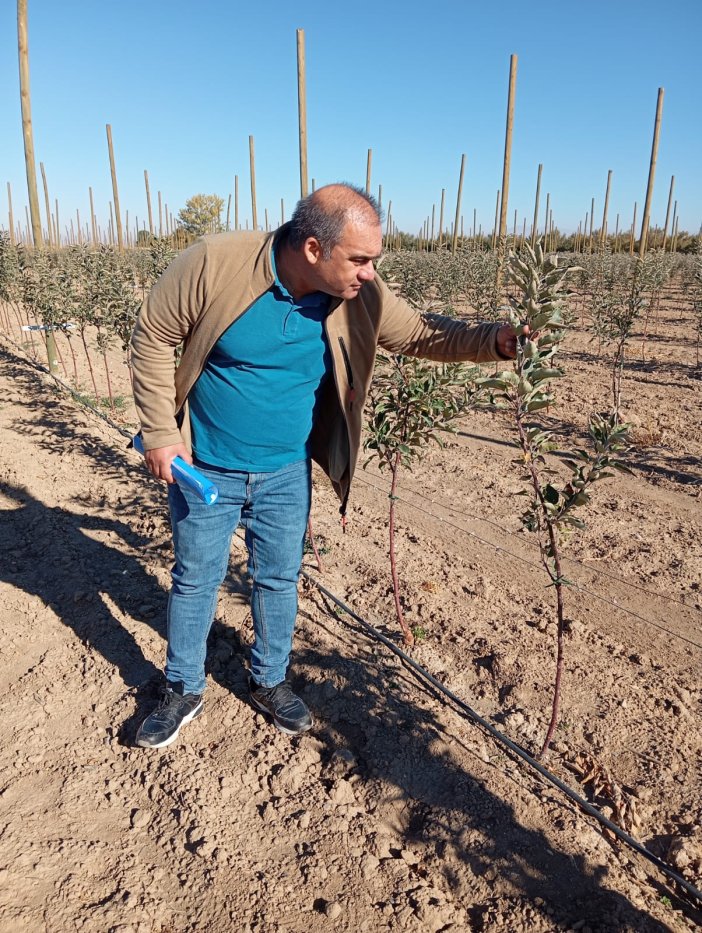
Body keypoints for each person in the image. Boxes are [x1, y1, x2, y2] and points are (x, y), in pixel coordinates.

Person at [130, 183, 524, 748]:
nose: (369, 273)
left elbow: (418, 333)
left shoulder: (357, 295)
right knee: (196, 581)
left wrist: (496, 341)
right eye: (360, 260)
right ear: (313, 249)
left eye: (373, 261)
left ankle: (268, 679)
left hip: (287, 473)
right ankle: (182, 687)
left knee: (278, 579)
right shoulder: (216, 262)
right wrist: (161, 435)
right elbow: (153, 334)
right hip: (207, 467)